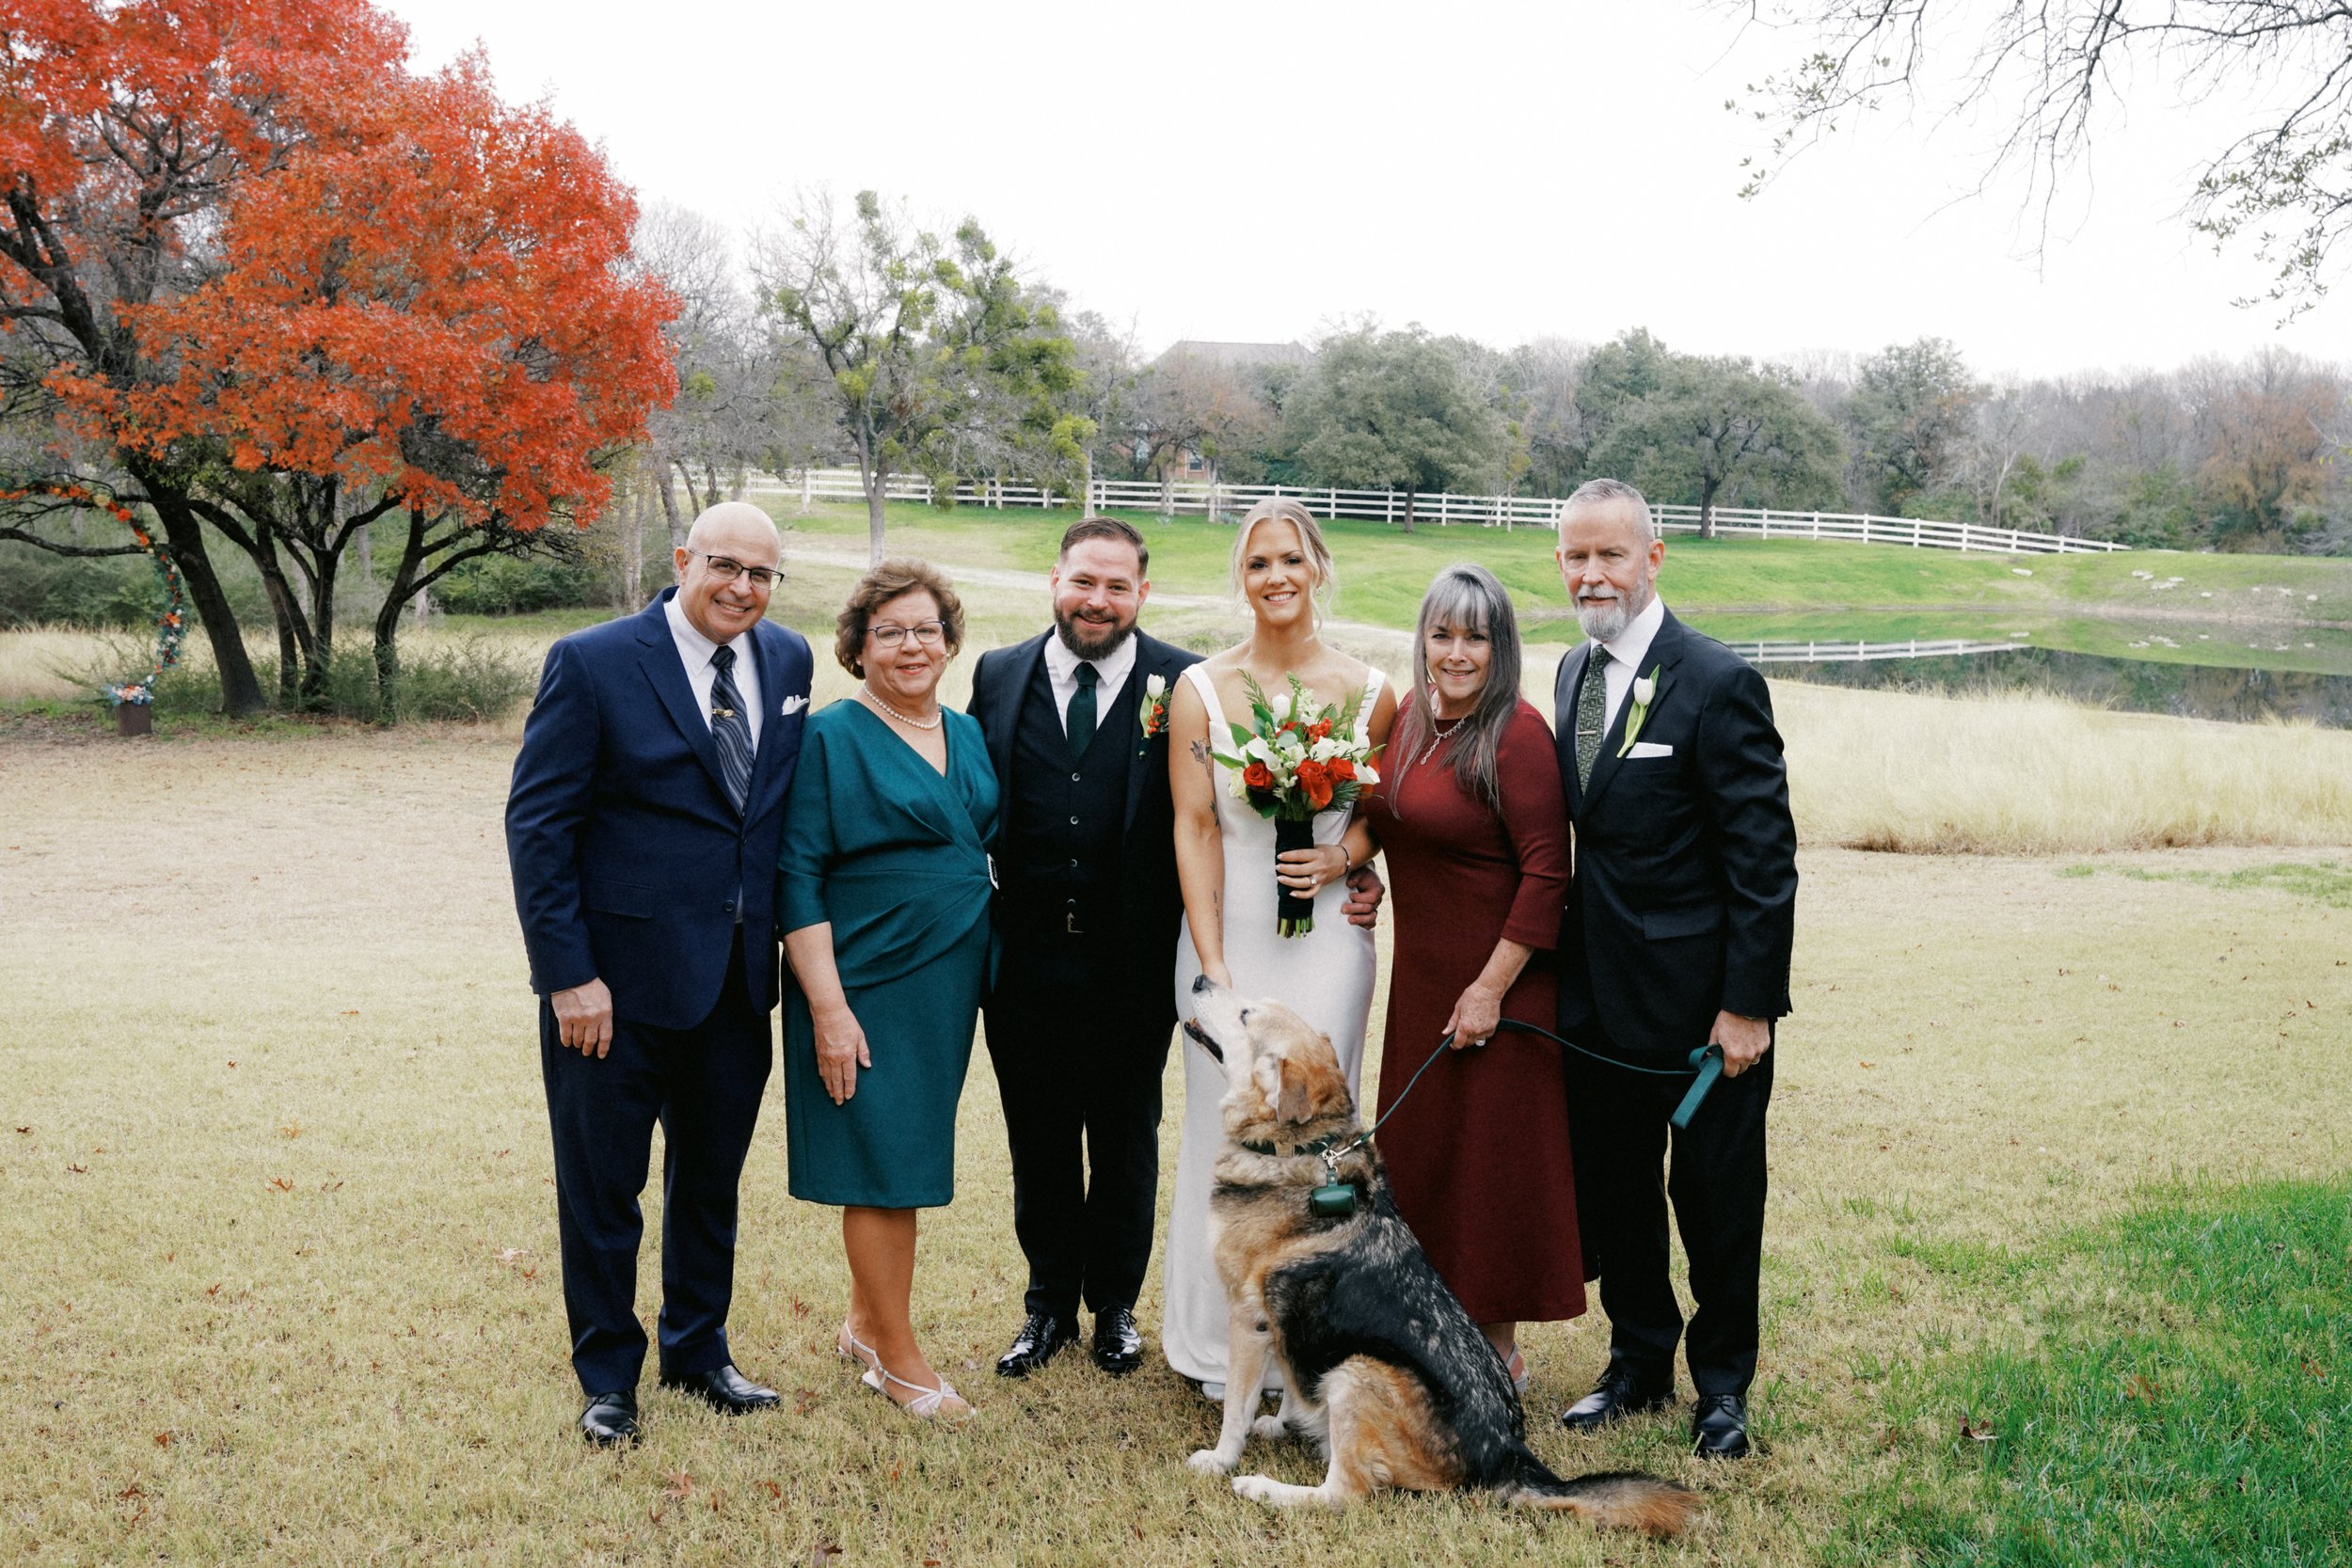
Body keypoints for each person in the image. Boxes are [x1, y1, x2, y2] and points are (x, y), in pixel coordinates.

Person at [504, 500, 815, 1447]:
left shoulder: (790, 660)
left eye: (762, 573)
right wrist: (568, 975)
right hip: (614, 988)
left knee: (709, 1179)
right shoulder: (594, 660)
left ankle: (698, 1348)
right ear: (683, 557)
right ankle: (607, 1376)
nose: (742, 588)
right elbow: (539, 825)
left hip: (734, 980)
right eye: (724, 565)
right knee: (602, 1188)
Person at [1547, 478, 1797, 1461]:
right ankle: (1637, 1357)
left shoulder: (1716, 679)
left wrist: (1747, 1005)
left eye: (1611, 554)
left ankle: (1722, 1387)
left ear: (1654, 558)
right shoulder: (1570, 671)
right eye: (1575, 555)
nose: (1592, 572)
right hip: (1597, 1000)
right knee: (1616, 1191)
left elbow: (1763, 861)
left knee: (1718, 1203)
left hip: (1703, 1015)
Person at [1308, 562, 1582, 1392]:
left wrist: (1491, 988)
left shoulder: (1517, 734)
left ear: (1501, 646)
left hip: (1498, 989)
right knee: (1427, 1159)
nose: (1456, 653)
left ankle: (1498, 1358)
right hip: (1424, 982)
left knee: (1487, 1168)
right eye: (1442, 633)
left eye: (1476, 635)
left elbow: (1547, 873)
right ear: (1422, 637)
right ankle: (1436, 1341)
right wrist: (1347, 861)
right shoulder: (1415, 719)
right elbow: (1387, 816)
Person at [1164, 497, 1397, 1398]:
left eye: (1291, 559)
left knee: (1318, 1138)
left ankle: (1315, 1339)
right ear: (1240, 576)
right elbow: (1193, 825)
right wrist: (1213, 968)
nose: (1276, 578)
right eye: (1258, 563)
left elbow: (1385, 813)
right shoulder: (1200, 690)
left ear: (1320, 568)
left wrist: (1345, 856)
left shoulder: (1373, 690)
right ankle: (1213, 1345)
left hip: (1328, 944)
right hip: (1231, 939)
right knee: (1223, 1137)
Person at [966, 517, 1200, 1379]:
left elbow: (1210, 821)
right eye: (1083, 582)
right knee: (1039, 1136)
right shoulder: (997, 674)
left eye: (1116, 586)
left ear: (1142, 592)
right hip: (1022, 960)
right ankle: (1046, 1303)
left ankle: (1116, 1307)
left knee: (1126, 1135)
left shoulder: (1182, 681)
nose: (1097, 600)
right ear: (1054, 581)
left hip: (1133, 963)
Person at [777, 560, 996, 1422]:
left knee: (908, 1156)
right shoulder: (829, 736)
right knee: (882, 1167)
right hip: (863, 976)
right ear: (859, 646)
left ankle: (866, 1324)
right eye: (892, 631)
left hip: (947, 980)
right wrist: (828, 1009)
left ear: (949, 641)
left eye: (927, 629)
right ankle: (901, 1363)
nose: (913, 645)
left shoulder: (967, 731)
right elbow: (797, 873)